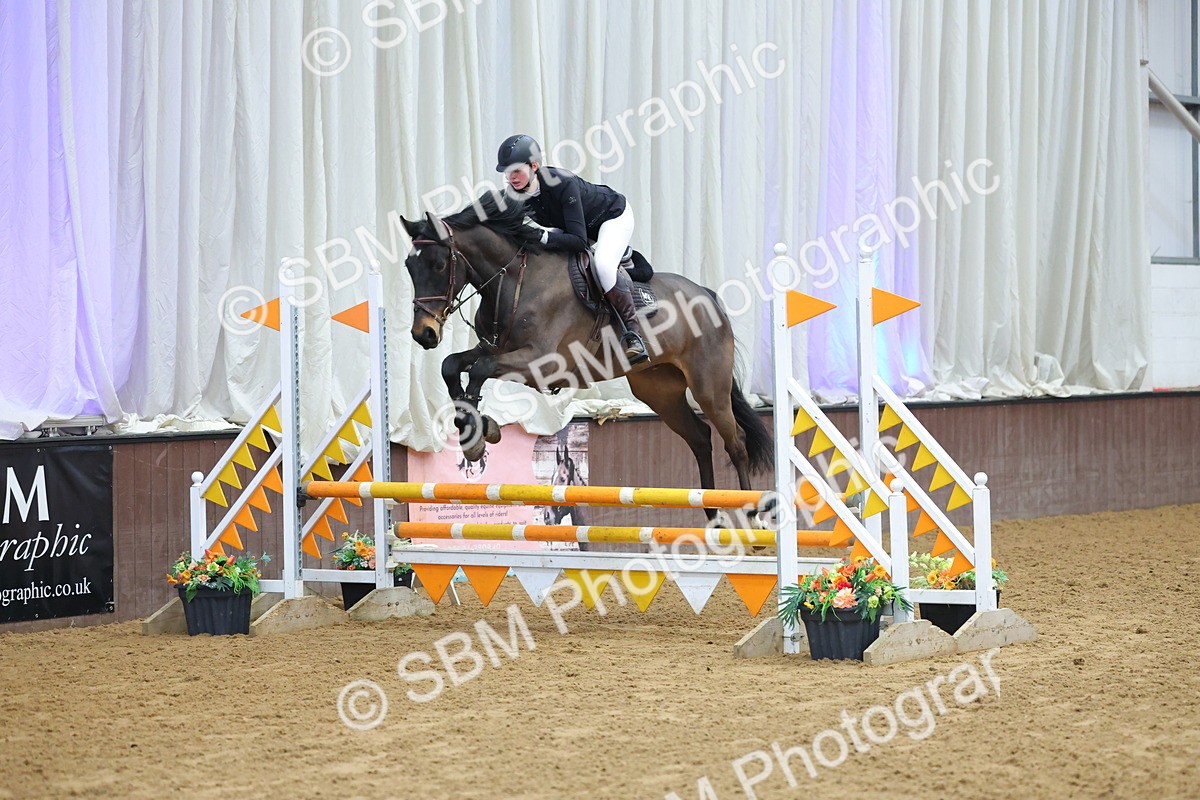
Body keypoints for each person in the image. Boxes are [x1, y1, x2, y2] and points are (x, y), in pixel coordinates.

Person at [495, 134, 648, 364]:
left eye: (516, 170)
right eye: (506, 172)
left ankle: (633, 333)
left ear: (534, 166)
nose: (510, 177)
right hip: (573, 225)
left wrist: (541, 235)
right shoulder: (515, 194)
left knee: (603, 266)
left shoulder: (562, 183)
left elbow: (579, 241)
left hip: (611, 217)